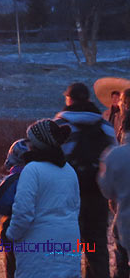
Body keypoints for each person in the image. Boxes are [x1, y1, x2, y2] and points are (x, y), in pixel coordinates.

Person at [54, 82, 117, 278]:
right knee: (97, 246)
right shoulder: (105, 127)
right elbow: (113, 159)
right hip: (97, 195)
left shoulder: (57, 126)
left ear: (68, 99)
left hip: (65, 197)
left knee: (66, 250)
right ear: (89, 99)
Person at [6, 119, 81, 278]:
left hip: (38, 246)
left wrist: (11, 234)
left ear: (37, 143)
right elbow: (75, 208)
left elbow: (23, 213)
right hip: (69, 241)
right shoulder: (69, 171)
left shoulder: (32, 170)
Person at [0, 139, 29, 278]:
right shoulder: (46, 175)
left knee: (14, 268)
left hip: (16, 231)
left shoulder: (14, 179)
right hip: (44, 234)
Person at [99, 113, 130, 278]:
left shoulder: (113, 155)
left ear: (122, 128)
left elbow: (106, 190)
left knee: (122, 268)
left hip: (125, 220)